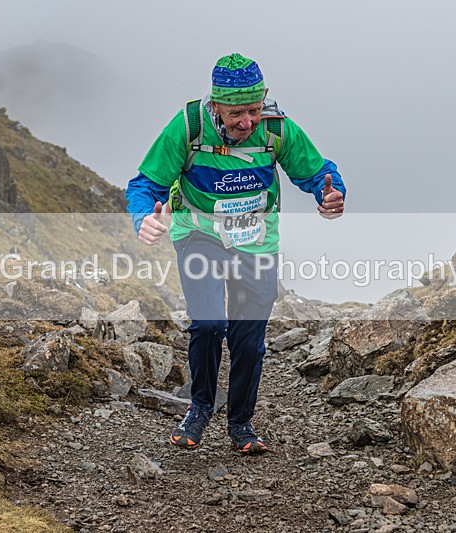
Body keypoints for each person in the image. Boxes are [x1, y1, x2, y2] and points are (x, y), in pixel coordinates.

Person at [126, 53, 346, 454]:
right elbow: (145, 184)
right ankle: (199, 408)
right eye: (237, 113)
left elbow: (316, 172)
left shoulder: (277, 128)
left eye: (255, 110)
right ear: (216, 106)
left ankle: (241, 423)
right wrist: (144, 217)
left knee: (249, 340)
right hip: (199, 235)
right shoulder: (188, 126)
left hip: (256, 242)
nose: (247, 122)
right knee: (209, 324)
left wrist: (331, 193)